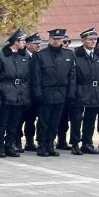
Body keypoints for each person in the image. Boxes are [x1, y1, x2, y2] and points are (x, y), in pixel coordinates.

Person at [30, 28, 75, 157]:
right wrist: (37, 93)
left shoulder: (68, 55)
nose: (57, 41)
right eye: (54, 39)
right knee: (43, 120)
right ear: (49, 40)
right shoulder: (40, 55)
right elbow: (36, 76)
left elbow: (72, 76)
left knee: (55, 120)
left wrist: (70, 94)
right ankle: (42, 144)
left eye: (59, 39)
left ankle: (50, 143)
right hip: (46, 92)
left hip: (61, 92)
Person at [69, 29, 99, 155]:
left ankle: (87, 143)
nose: (93, 42)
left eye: (94, 40)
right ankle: (75, 144)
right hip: (80, 90)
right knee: (76, 119)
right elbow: (72, 77)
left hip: (95, 91)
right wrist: (72, 93)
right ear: (83, 41)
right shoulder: (75, 55)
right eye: (90, 39)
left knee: (91, 119)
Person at [0, 29, 31, 157]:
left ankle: (9, 145)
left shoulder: (24, 56)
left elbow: (28, 78)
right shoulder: (0, 56)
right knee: (2, 122)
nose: (24, 43)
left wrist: (27, 96)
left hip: (20, 93)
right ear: (15, 42)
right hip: (5, 93)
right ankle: (0, 146)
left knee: (15, 122)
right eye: (23, 41)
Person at [19, 34, 43, 151]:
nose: (38, 45)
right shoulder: (21, 55)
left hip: (36, 93)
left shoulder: (40, 56)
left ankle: (30, 141)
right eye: (35, 43)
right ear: (27, 44)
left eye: (39, 43)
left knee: (32, 118)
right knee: (20, 119)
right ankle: (17, 141)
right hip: (23, 92)